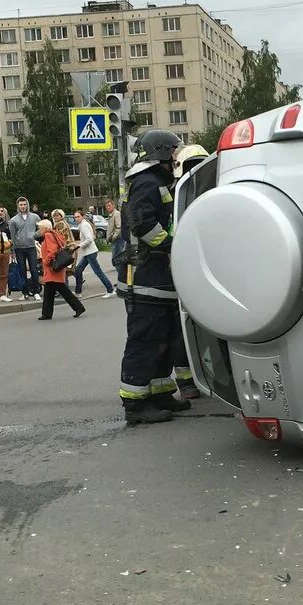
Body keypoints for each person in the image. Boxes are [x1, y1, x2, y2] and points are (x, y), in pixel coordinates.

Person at [116, 129, 191, 425]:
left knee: (164, 340)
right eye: (173, 151)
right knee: (145, 341)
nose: (176, 156)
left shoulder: (159, 181)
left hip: (157, 278)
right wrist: (171, 245)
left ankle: (159, 393)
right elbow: (141, 222)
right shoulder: (147, 181)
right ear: (160, 152)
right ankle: (134, 404)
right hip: (145, 276)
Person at [170, 144, 210, 399]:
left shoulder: (213, 192)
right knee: (182, 325)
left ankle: (205, 375)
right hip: (182, 267)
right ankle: (187, 380)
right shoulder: (175, 197)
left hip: (203, 266)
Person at [36, 218, 85, 320]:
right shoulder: (53, 234)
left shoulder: (48, 235)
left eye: (40, 228)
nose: (39, 230)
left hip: (51, 268)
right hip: (55, 268)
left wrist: (46, 261)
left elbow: (52, 250)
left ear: (45, 228)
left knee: (60, 290)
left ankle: (78, 307)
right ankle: (47, 313)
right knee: (51, 291)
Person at [73, 208, 114, 298]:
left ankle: (110, 289)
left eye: (78, 217)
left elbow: (89, 239)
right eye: (75, 217)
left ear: (82, 216)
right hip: (89, 252)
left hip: (90, 252)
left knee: (98, 272)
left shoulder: (84, 226)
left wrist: (79, 245)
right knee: (78, 270)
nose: (76, 218)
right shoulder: (83, 225)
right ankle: (78, 292)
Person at [10, 197, 41, 300]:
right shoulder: (13, 220)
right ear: (18, 206)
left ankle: (36, 291)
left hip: (31, 247)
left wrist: (34, 235)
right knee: (22, 270)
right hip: (19, 248)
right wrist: (13, 250)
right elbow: (13, 236)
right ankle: (25, 292)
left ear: (27, 205)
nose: (23, 206)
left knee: (34, 269)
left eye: (24, 204)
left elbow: (41, 229)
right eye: (21, 205)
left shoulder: (35, 217)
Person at [105, 198, 124, 269]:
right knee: (116, 258)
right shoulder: (111, 215)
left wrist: (113, 237)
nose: (108, 207)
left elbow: (119, 227)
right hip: (114, 240)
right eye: (106, 206)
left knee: (116, 258)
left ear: (113, 205)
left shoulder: (116, 214)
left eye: (109, 205)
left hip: (118, 239)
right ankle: (121, 271)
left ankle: (121, 273)